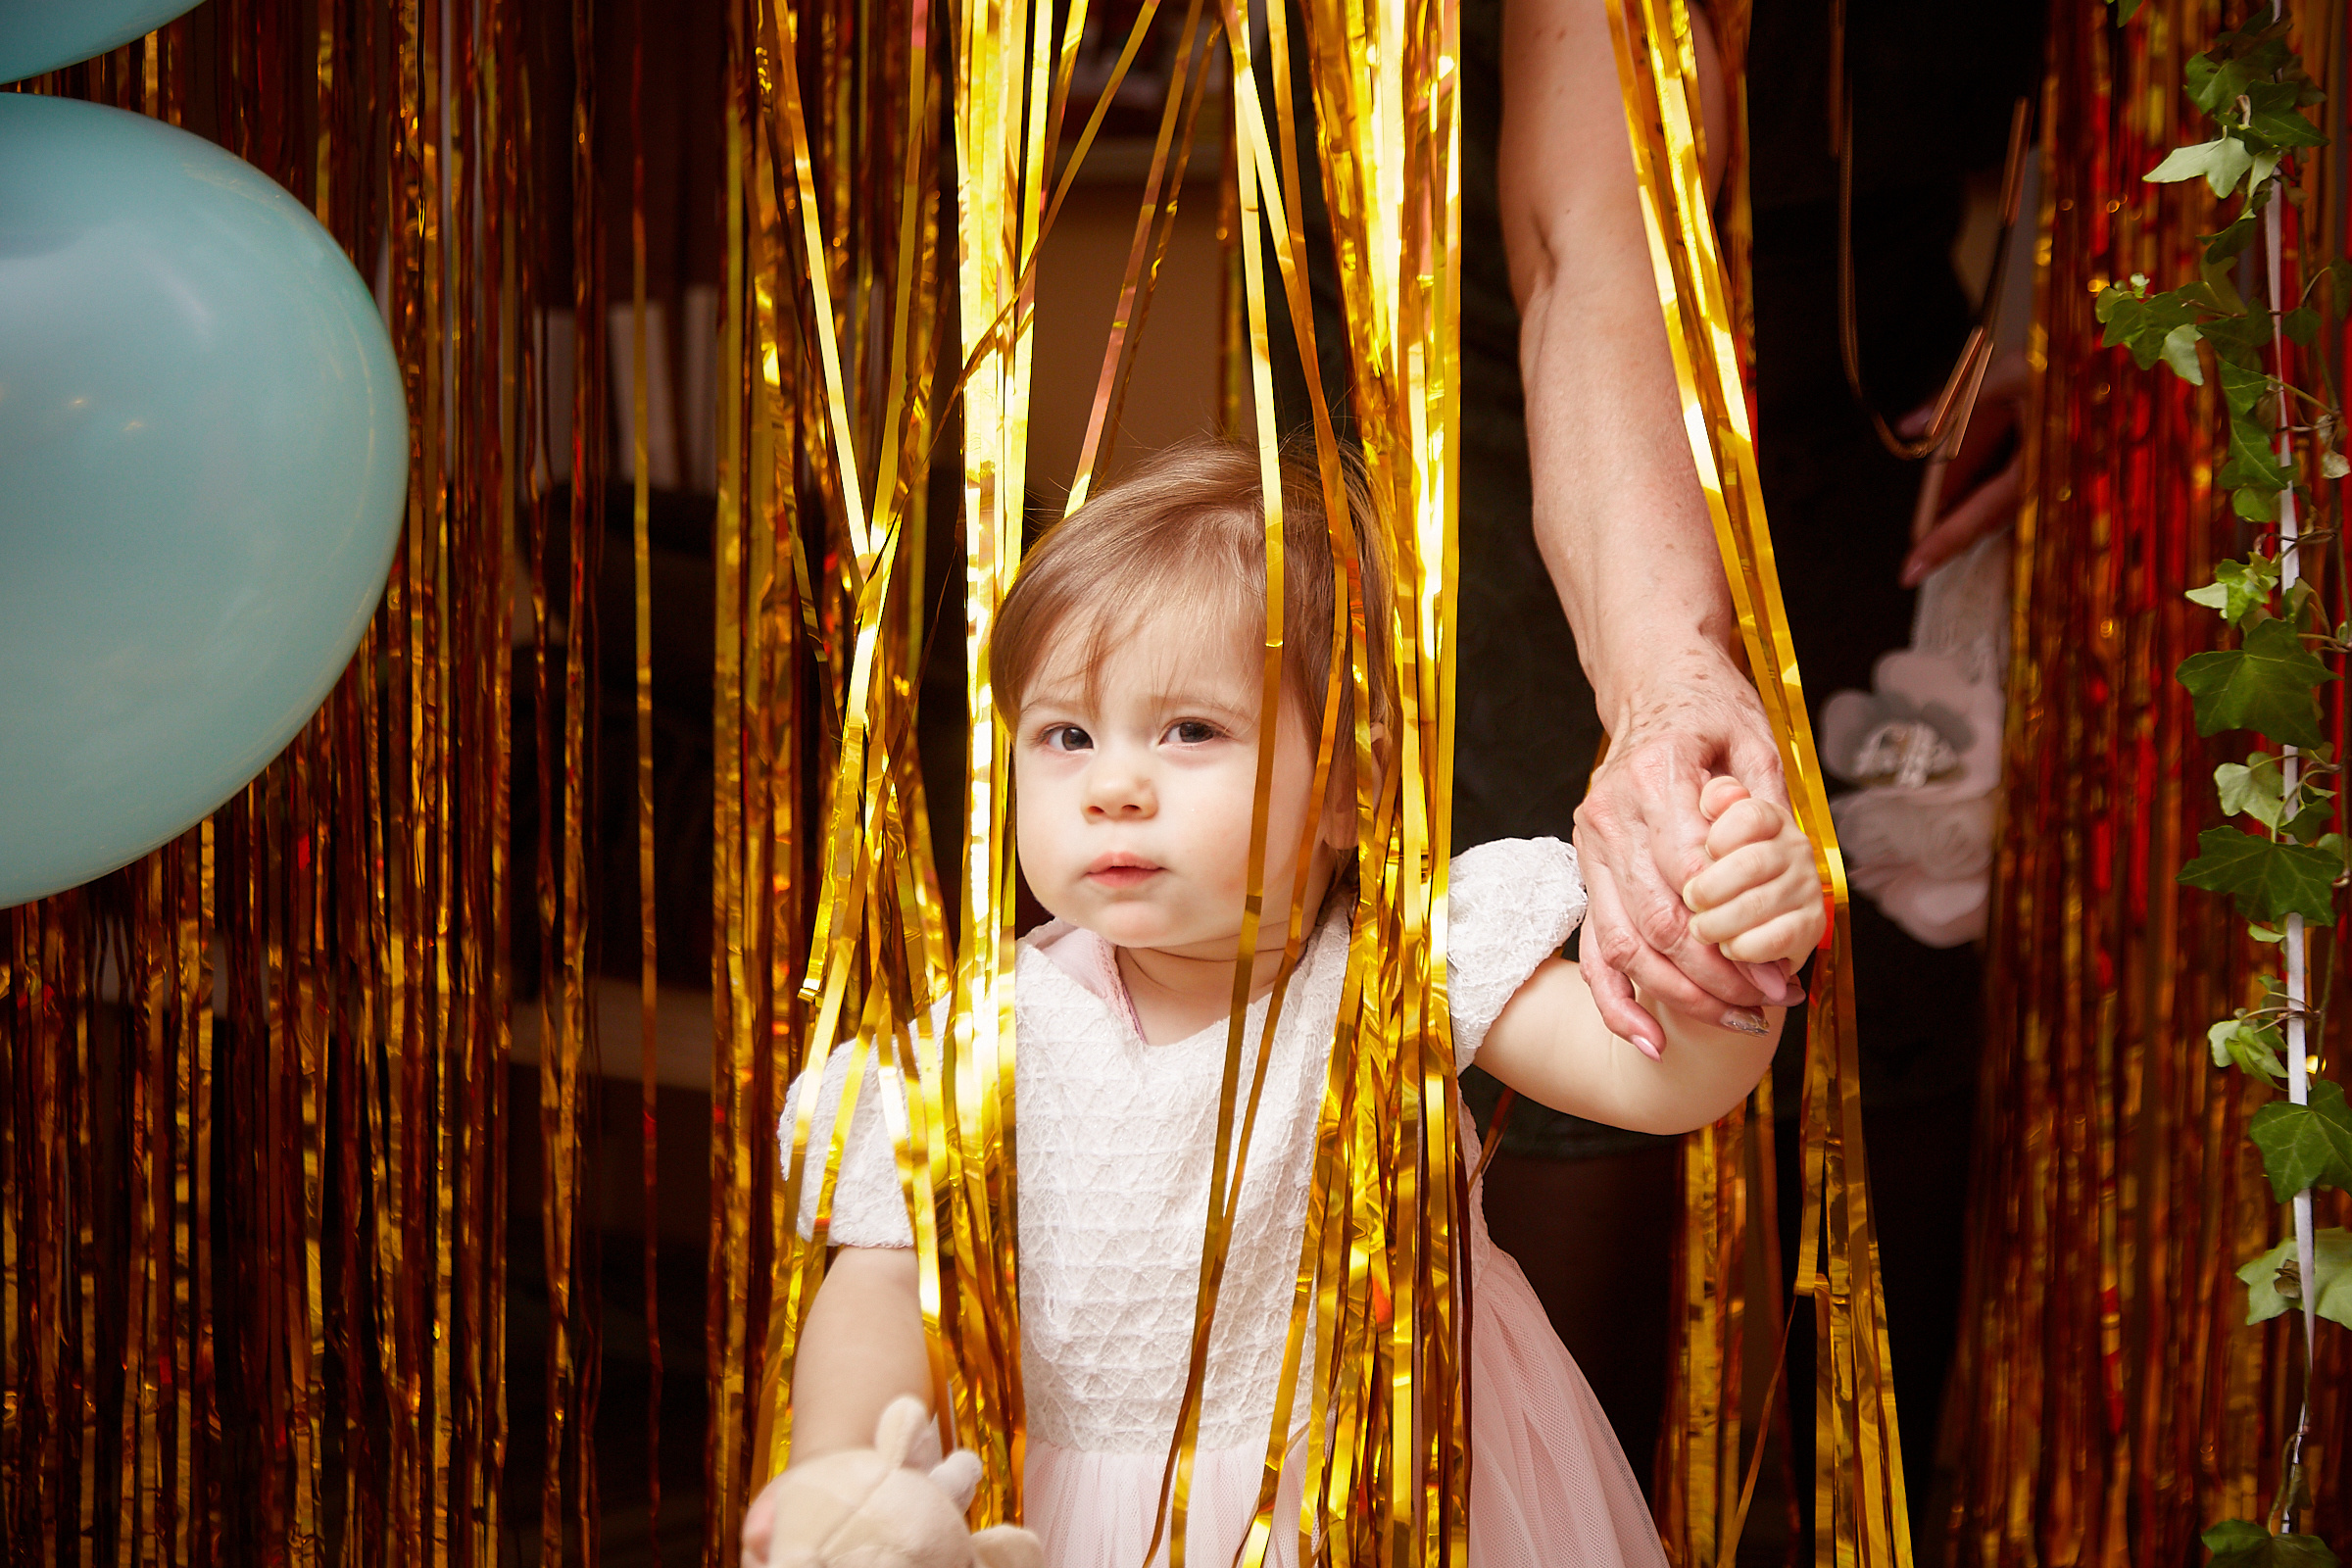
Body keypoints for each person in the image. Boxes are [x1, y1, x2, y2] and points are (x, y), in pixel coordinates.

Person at [742, 438, 1828, 1568]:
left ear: (1350, 786)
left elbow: (1654, 1079)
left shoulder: (1403, 970)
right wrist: (841, 1469)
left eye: (1190, 730)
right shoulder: (984, 1041)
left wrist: (1733, 942)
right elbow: (884, 1279)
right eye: (1067, 735)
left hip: (1395, 1496)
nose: (1113, 786)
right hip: (1085, 1525)